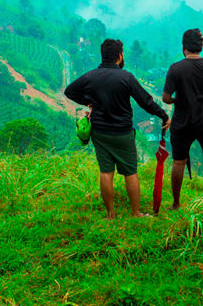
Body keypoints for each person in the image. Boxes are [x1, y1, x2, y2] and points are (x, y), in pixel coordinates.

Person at [65, 39, 171, 219]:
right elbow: (145, 101)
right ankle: (136, 213)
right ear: (119, 56)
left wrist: (88, 102)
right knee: (130, 172)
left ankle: (110, 214)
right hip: (122, 133)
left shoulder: (90, 76)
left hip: (100, 132)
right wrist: (163, 115)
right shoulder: (126, 77)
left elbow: (70, 91)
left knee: (106, 171)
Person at [162, 29, 203, 209]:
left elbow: (166, 98)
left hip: (182, 121)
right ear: (200, 46)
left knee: (178, 162)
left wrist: (178, 99)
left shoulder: (175, 68)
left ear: (184, 48)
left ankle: (176, 203)